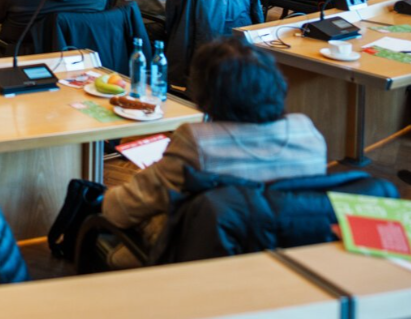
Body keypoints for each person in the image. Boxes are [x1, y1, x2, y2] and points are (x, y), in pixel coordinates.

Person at [100, 36, 326, 267]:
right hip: (286, 258)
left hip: (203, 259)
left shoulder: (199, 141)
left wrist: (111, 195)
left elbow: (120, 210)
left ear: (203, 95)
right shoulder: (307, 131)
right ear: (277, 84)